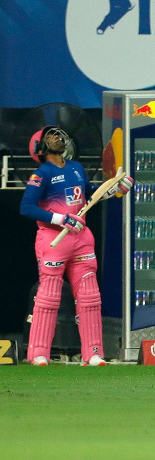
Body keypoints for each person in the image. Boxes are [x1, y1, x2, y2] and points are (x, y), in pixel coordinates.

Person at [20, 126, 133, 366]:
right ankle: (38, 353)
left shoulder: (76, 168)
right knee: (49, 297)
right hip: (53, 239)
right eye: (51, 136)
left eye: (58, 134)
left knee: (90, 297)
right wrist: (60, 219)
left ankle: (93, 353)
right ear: (40, 147)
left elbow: (90, 197)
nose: (58, 137)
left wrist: (115, 189)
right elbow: (26, 207)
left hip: (81, 238)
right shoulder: (41, 174)